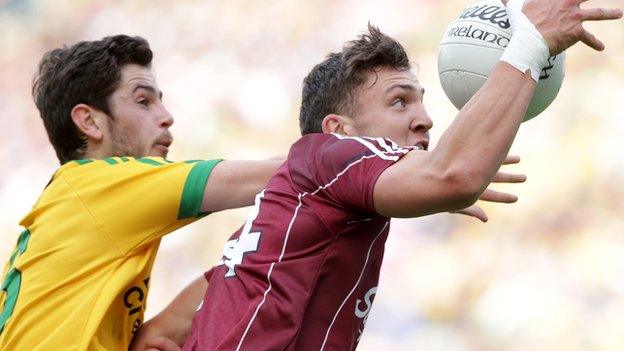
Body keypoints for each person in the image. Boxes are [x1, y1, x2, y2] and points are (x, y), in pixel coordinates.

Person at [135, 0, 623, 349]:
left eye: (420, 100)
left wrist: (429, 178)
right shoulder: (334, 154)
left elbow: (159, 333)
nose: (425, 119)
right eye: (398, 101)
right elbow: (453, 174)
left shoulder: (279, 223)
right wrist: (530, 43)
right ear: (338, 129)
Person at [0, 35, 282, 350]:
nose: (167, 116)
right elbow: (276, 175)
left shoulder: (78, 197)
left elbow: (223, 280)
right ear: (90, 121)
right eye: (143, 101)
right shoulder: (102, 186)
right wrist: (343, 143)